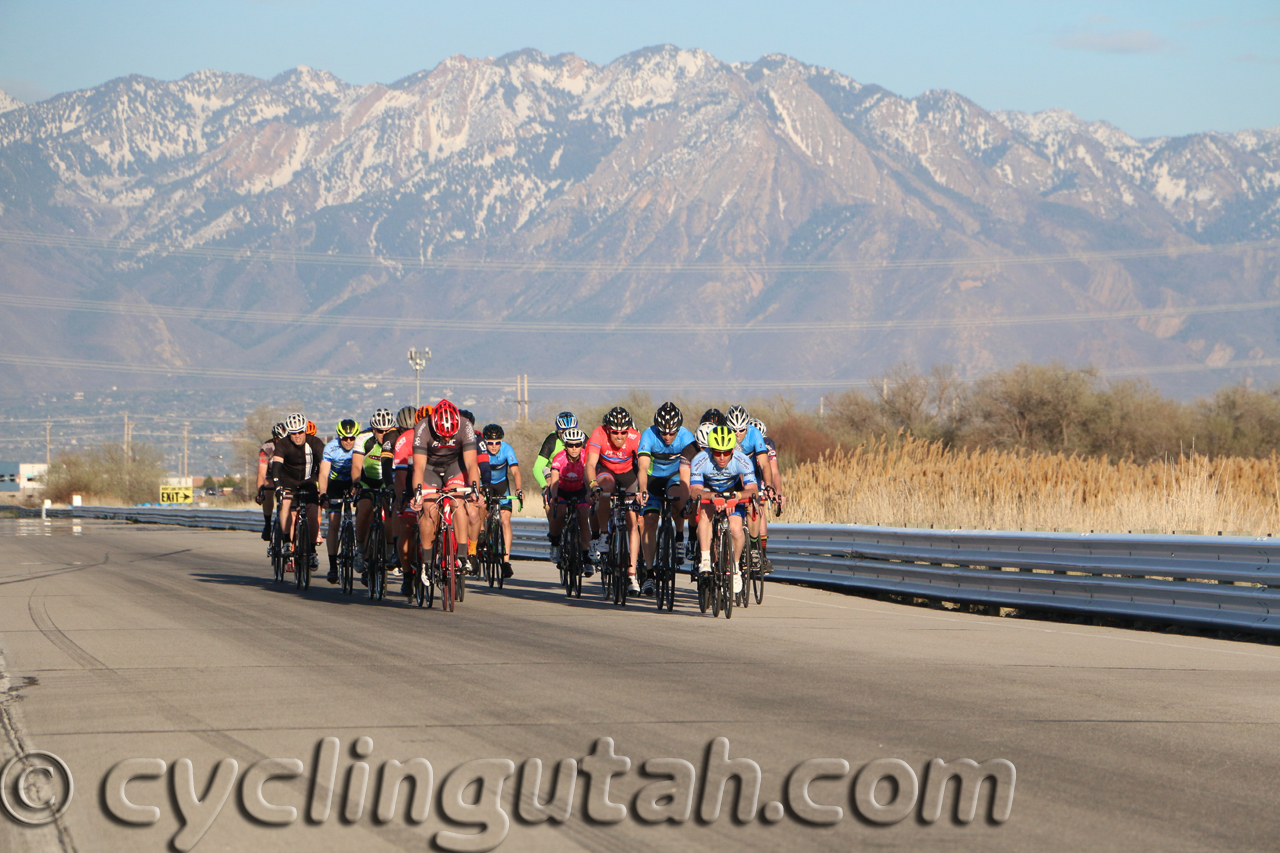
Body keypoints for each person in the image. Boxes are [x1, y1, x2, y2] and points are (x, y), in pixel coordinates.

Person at [410, 399, 482, 596]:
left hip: (454, 466)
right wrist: (417, 493)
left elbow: (471, 465)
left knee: (458, 501)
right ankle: (426, 561)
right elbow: (418, 468)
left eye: (448, 436)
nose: (444, 440)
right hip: (430, 468)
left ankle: (461, 555)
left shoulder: (465, 425)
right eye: (441, 436)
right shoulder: (423, 427)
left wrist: (475, 489)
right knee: (430, 509)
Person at [686, 425, 758, 595]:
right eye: (717, 453)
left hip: (734, 492)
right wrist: (711, 497)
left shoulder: (742, 460)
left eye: (726, 452)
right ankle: (705, 559)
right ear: (710, 450)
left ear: (733, 449)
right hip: (709, 492)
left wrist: (738, 497)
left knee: (735, 528)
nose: (722, 457)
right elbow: (694, 490)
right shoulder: (700, 459)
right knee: (704, 513)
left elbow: (753, 490)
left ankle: (734, 568)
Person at [636, 402, 694, 596]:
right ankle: (650, 573)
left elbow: (692, 469)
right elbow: (643, 468)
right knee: (650, 521)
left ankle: (678, 537)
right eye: (663, 433)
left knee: (678, 496)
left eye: (671, 433)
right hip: (652, 479)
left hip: (675, 476)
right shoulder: (648, 435)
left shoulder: (687, 437)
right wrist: (643, 489)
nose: (667, 437)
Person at [586, 406, 643, 593]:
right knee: (605, 487)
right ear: (608, 429)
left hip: (628, 474)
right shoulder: (598, 434)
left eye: (623, 432)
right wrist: (593, 484)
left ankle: (632, 574)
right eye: (615, 432)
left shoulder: (635, 437)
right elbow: (591, 464)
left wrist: (643, 490)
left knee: (632, 522)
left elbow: (642, 467)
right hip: (606, 471)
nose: (619, 436)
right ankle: (604, 534)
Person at [269, 413, 326, 574]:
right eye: (293, 433)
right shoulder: (283, 444)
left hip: (309, 481)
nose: (297, 436)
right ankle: (287, 541)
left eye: (300, 432)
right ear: (289, 433)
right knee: (286, 503)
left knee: (313, 513)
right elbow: (277, 467)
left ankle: (313, 551)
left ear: (305, 431)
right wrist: (278, 486)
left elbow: (324, 466)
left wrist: (323, 491)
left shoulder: (315, 443)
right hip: (288, 480)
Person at [350, 408, 397, 583]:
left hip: (387, 482)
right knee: (365, 509)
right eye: (379, 431)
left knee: (391, 510)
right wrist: (356, 482)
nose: (383, 434)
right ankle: (361, 550)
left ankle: (391, 550)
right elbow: (356, 466)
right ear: (373, 429)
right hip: (366, 482)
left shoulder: (396, 439)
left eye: (387, 431)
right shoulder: (363, 439)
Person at [727, 405, 774, 570]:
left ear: (747, 427)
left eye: (741, 430)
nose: (738, 434)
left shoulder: (754, 434)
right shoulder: (726, 436)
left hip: (751, 473)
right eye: (734, 430)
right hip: (731, 473)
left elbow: (765, 464)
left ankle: (754, 546)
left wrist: (768, 485)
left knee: (753, 504)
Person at [546, 427, 593, 575]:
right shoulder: (559, 458)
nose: (574, 448)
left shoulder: (586, 457)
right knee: (559, 514)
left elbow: (588, 478)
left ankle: (586, 558)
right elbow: (554, 481)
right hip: (561, 491)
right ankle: (555, 543)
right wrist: (554, 497)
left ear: (582, 445)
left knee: (584, 519)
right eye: (570, 445)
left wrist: (589, 493)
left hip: (580, 490)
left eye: (578, 445)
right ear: (565, 446)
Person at [317, 419, 359, 583]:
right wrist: (323, 494)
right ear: (339, 437)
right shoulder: (331, 447)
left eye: (351, 438)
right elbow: (323, 474)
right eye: (344, 438)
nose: (348, 441)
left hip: (353, 483)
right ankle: (333, 566)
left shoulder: (359, 446)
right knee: (334, 524)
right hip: (334, 485)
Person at [481, 423, 523, 578]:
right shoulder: (481, 450)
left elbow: (515, 471)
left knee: (505, 521)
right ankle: (483, 535)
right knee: (484, 511)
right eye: (490, 443)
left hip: (501, 485)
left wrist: (518, 489)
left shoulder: (506, 449)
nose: (493, 446)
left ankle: (506, 562)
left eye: (497, 442)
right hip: (484, 484)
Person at [534, 412, 577, 530]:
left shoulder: (580, 438)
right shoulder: (551, 440)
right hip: (552, 467)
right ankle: (554, 528)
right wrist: (545, 487)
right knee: (550, 487)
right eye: (563, 432)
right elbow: (537, 467)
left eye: (570, 431)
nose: (567, 436)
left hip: (573, 467)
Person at [255, 422, 286, 541]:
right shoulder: (266, 447)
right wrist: (260, 492)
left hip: (286, 475)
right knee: (267, 490)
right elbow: (261, 473)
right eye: (279, 440)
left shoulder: (291, 446)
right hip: (270, 474)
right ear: (274, 439)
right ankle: (267, 524)